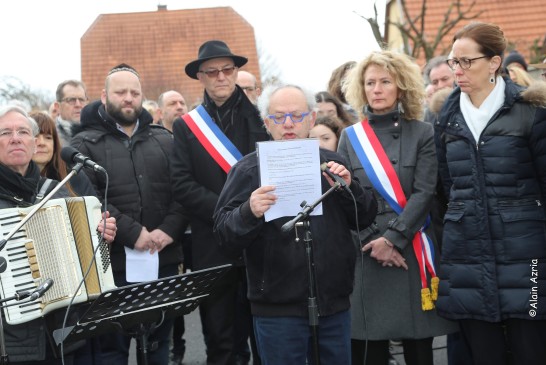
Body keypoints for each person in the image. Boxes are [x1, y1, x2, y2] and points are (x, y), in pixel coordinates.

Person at [213, 83, 377, 364]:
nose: (288, 124)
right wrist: (248, 211)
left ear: (312, 119)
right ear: (267, 123)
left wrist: (351, 190)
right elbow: (223, 234)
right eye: (279, 117)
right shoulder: (248, 169)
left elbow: (365, 217)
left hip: (332, 304)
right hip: (277, 309)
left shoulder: (333, 163)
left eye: (297, 116)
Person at [435, 21, 546, 365]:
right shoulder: (446, 118)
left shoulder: (530, 111)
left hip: (527, 259)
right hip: (468, 258)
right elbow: (447, 190)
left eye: (467, 61)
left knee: (532, 352)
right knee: (483, 355)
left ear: (494, 62)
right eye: (454, 62)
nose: (458, 70)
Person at [337, 50, 457, 365]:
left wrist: (393, 239)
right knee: (372, 351)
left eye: (385, 81)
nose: (376, 89)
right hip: (368, 251)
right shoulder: (350, 137)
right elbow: (346, 199)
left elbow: (424, 192)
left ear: (400, 86)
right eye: (370, 82)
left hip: (410, 248)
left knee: (419, 351)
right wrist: (375, 240)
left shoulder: (423, 132)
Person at [71, 63, 188, 365]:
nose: (128, 98)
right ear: (104, 95)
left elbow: (183, 190)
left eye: (134, 93)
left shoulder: (165, 140)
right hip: (113, 264)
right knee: (113, 350)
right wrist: (132, 233)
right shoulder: (83, 145)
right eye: (120, 92)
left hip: (163, 258)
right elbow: (89, 198)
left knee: (159, 347)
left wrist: (170, 228)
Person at [171, 40, 270, 365]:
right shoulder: (187, 126)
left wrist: (248, 217)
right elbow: (182, 185)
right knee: (221, 343)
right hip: (213, 246)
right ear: (200, 77)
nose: (221, 77)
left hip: (263, 243)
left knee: (266, 339)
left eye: (227, 69)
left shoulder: (263, 119)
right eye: (211, 72)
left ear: (236, 71)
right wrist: (232, 214)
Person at [0, 105, 116, 364]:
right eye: (5, 133)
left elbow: (91, 255)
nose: (15, 138)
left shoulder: (58, 191)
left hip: (61, 332)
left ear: (33, 144)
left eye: (22, 132)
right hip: (10, 340)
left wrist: (102, 235)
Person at [30, 111, 96, 197]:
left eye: (48, 138)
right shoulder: (15, 179)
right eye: (35, 136)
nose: (42, 143)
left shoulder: (73, 175)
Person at [53, 80, 89, 146]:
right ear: (57, 107)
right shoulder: (50, 136)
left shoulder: (96, 134)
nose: (78, 105)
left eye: (81, 100)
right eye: (71, 100)